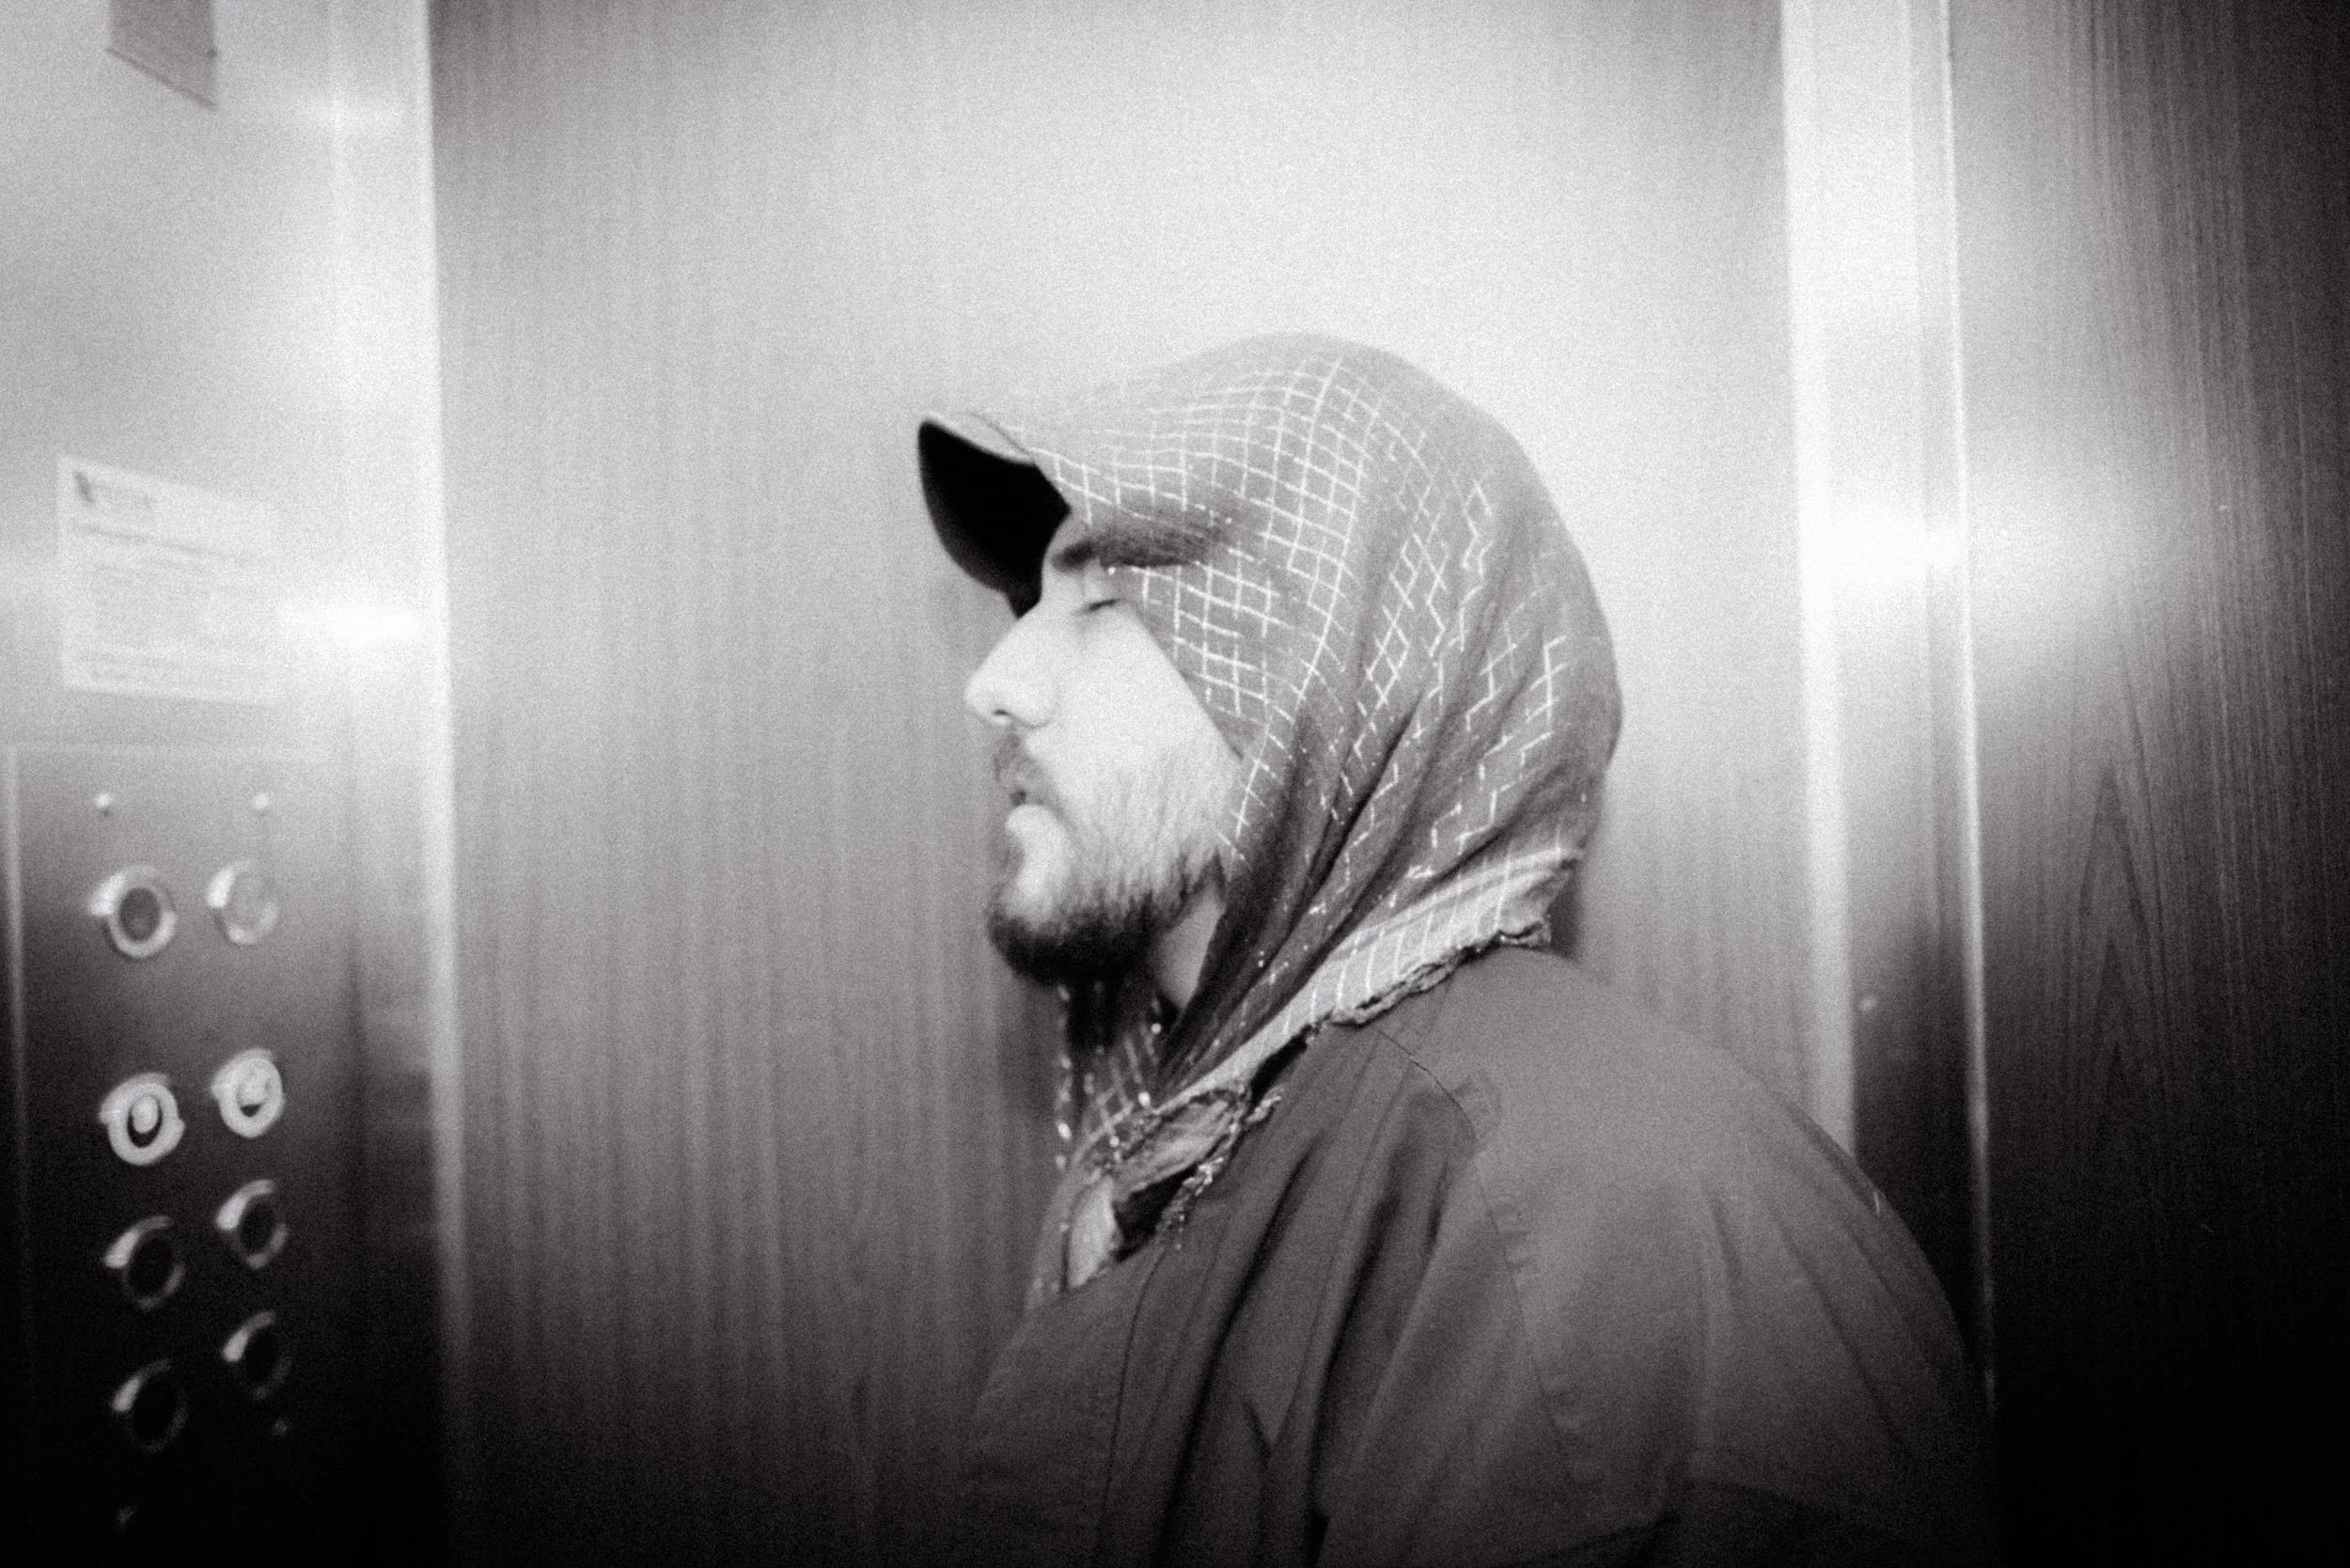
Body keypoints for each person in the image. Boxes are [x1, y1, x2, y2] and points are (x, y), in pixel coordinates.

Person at [918, 335, 1996, 1566]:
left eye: (1101, 602)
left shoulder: (1594, 1228)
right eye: (1033, 607)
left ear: (1333, 681)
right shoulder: (1230, 1132)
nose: (998, 682)